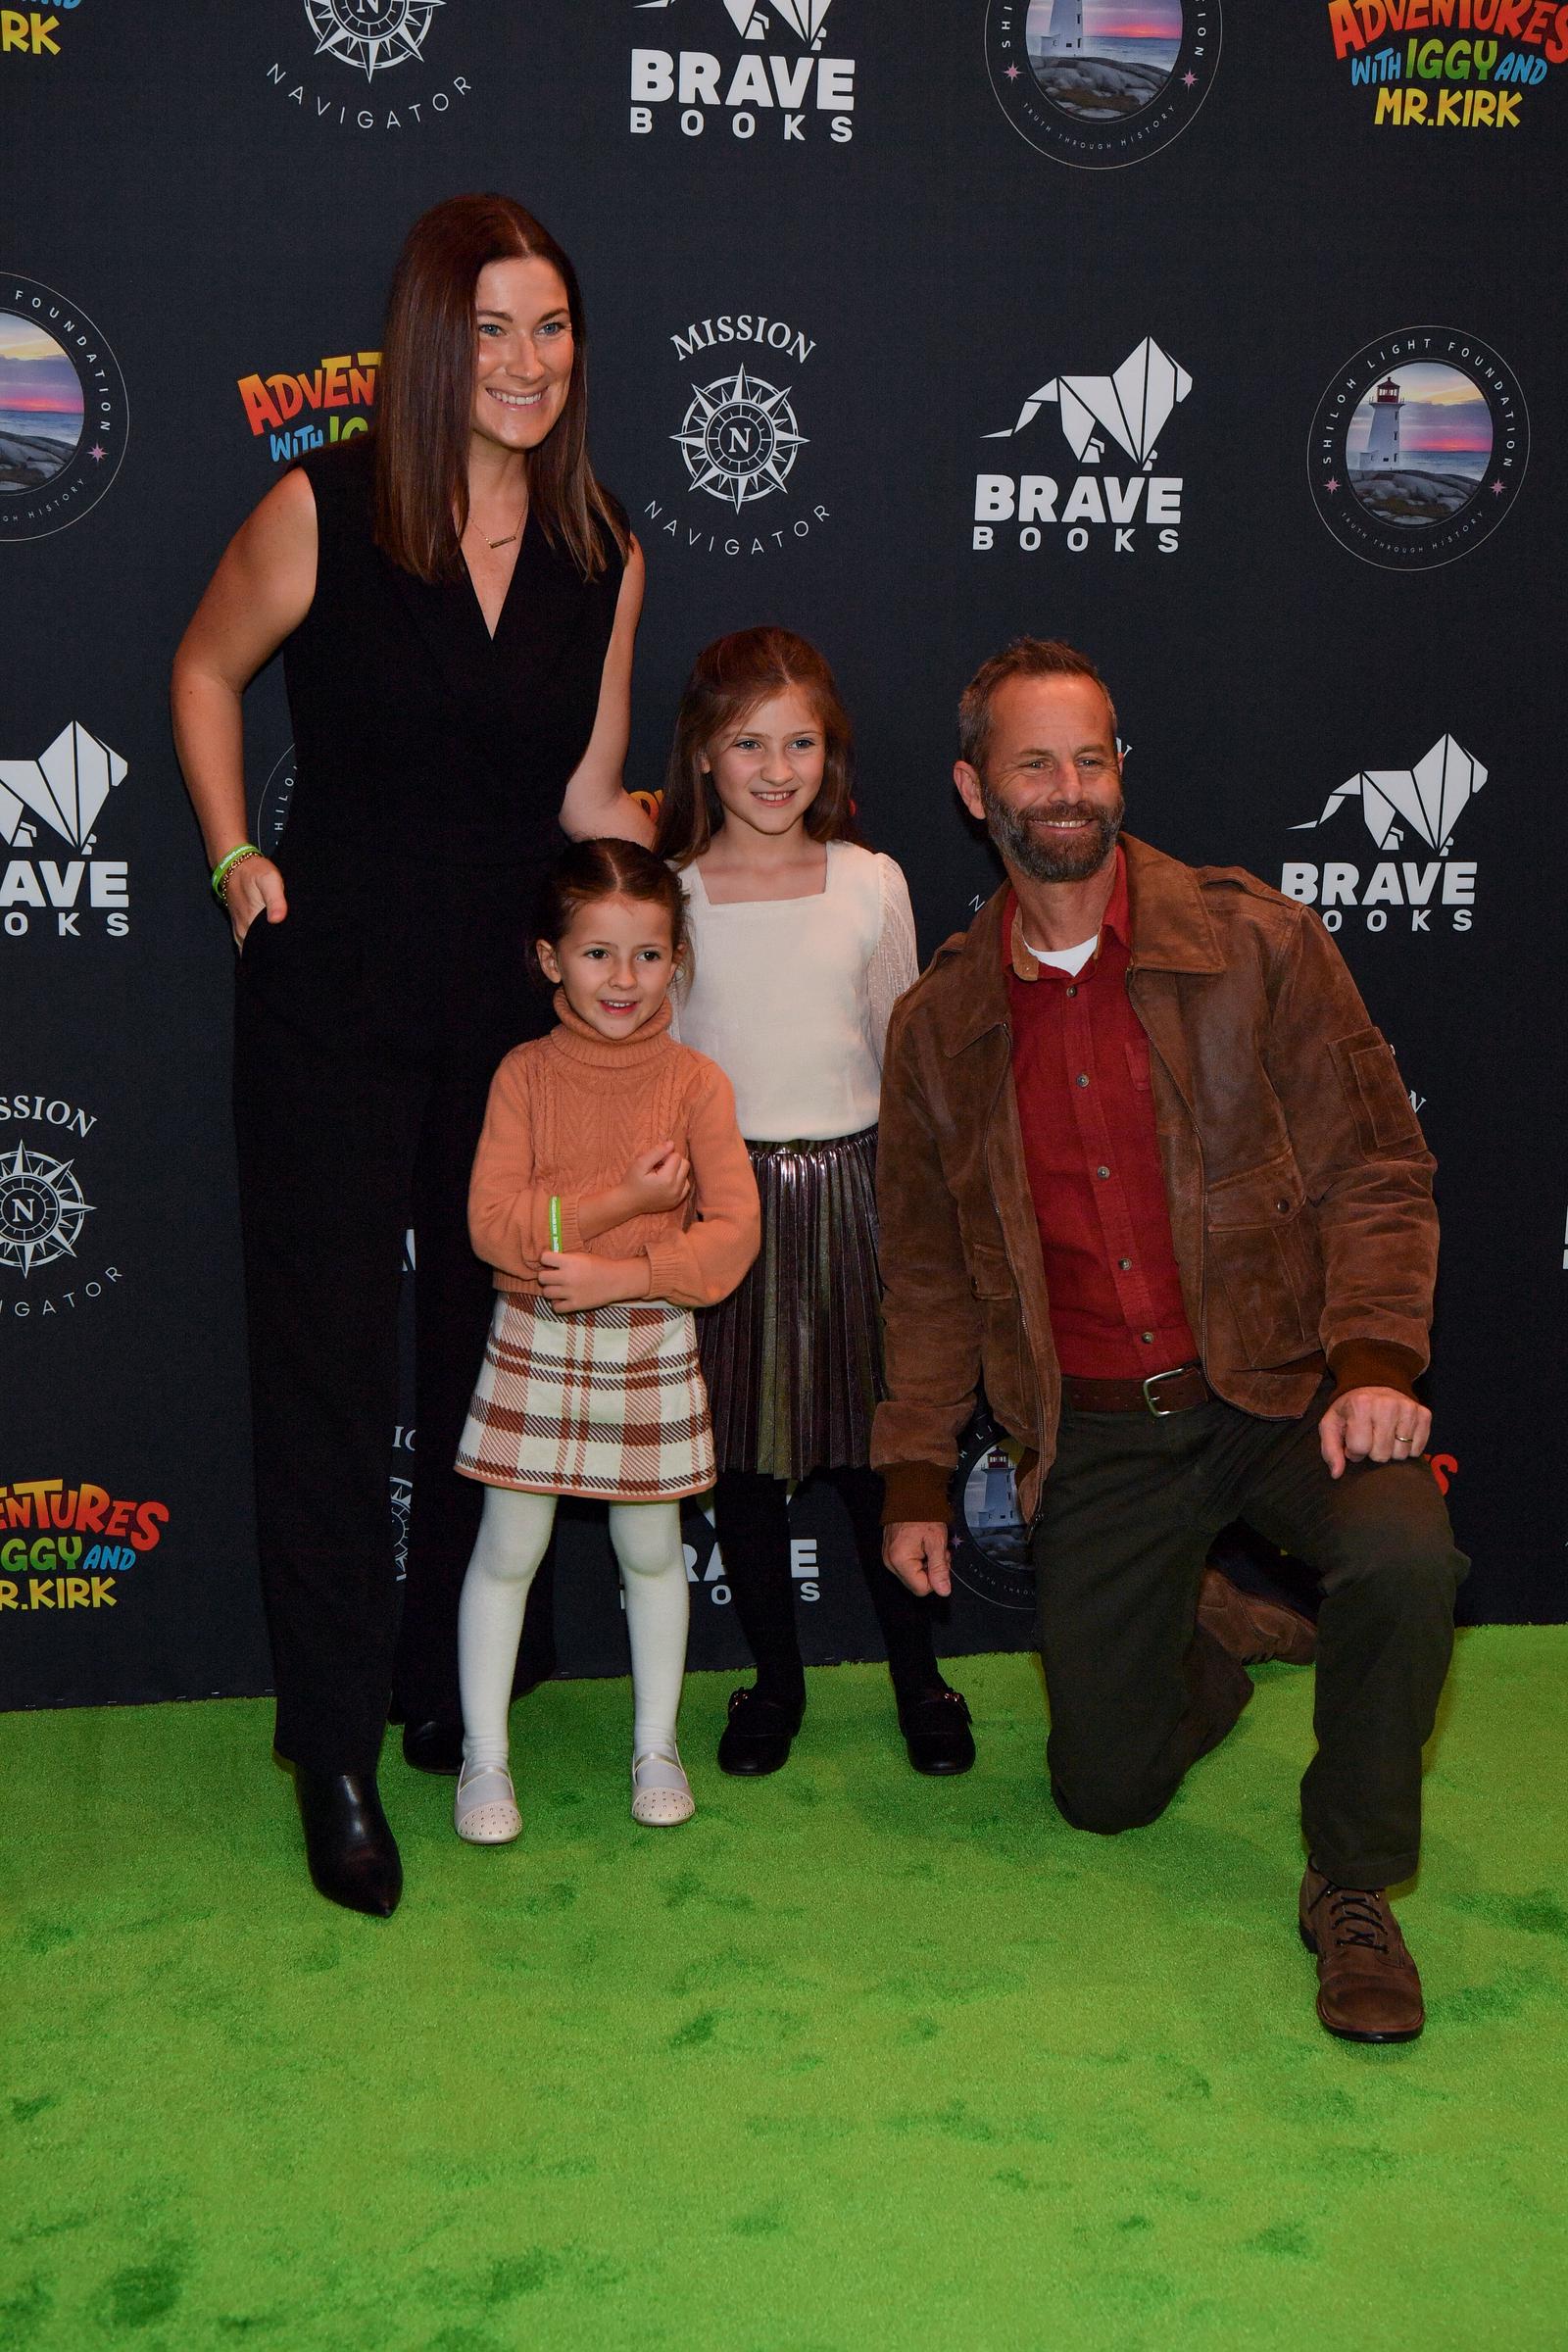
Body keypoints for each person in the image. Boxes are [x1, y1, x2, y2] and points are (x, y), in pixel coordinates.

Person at [874, 637, 1466, 2043]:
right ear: (975, 790)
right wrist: (913, 1469)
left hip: (1277, 1388)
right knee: (1105, 1792)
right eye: (1035, 762)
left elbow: (1378, 1170)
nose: (1070, 787)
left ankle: (1352, 1886)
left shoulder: (1257, 943)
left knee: (1405, 1556)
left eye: (1092, 756)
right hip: (1099, 1426)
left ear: (1121, 770)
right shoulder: (941, 1024)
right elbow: (927, 1271)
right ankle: (1203, 1635)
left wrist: (1376, 1362)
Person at [171, 194, 650, 1917]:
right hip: (330, 989)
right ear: (433, 343)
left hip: (509, 1018)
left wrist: (742, 830)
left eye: (554, 329)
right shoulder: (327, 508)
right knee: (322, 1374)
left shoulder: (607, 546)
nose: (527, 365)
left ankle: (450, 1689)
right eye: (495, 331)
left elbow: (588, 800)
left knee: (480, 1358)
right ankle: (334, 1749)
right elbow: (206, 670)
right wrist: (237, 860)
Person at [656, 628, 974, 1779]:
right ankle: (774, 1684)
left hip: (857, 1196)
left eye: (800, 741)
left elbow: (903, 1051)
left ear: (830, 753)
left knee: (872, 1457)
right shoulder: (671, 895)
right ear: (701, 753)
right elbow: (663, 1062)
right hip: (725, 1205)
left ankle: (919, 1679)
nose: (775, 768)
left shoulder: (869, 881)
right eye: (747, 742)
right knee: (738, 1467)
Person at [452, 840, 760, 1843]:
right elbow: (491, 1227)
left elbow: (730, 1241)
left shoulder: (699, 1084)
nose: (621, 980)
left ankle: (655, 1744)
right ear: (549, 959)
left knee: (652, 1550)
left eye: (647, 955)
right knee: (508, 1551)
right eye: (596, 955)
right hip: (535, 1331)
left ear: (677, 960)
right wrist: (618, 1203)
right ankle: (484, 1759)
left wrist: (623, 1273)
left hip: (652, 1336)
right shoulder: (522, 1076)